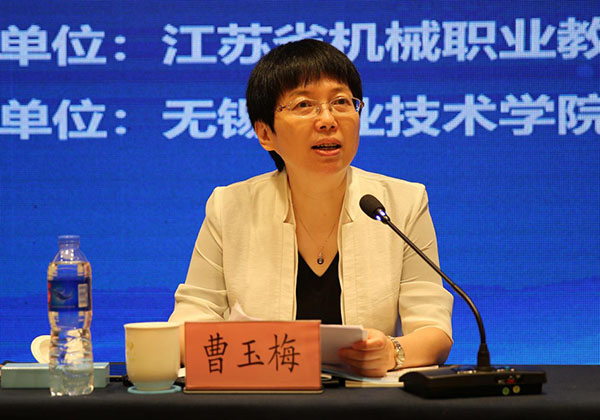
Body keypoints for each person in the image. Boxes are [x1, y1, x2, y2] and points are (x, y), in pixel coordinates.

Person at [169, 39, 453, 377]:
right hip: (259, 396)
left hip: (365, 399)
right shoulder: (229, 207)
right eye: (304, 105)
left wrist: (392, 353)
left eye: (341, 102)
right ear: (265, 133)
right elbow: (188, 324)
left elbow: (434, 330)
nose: (328, 119)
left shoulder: (402, 203)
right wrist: (250, 349)